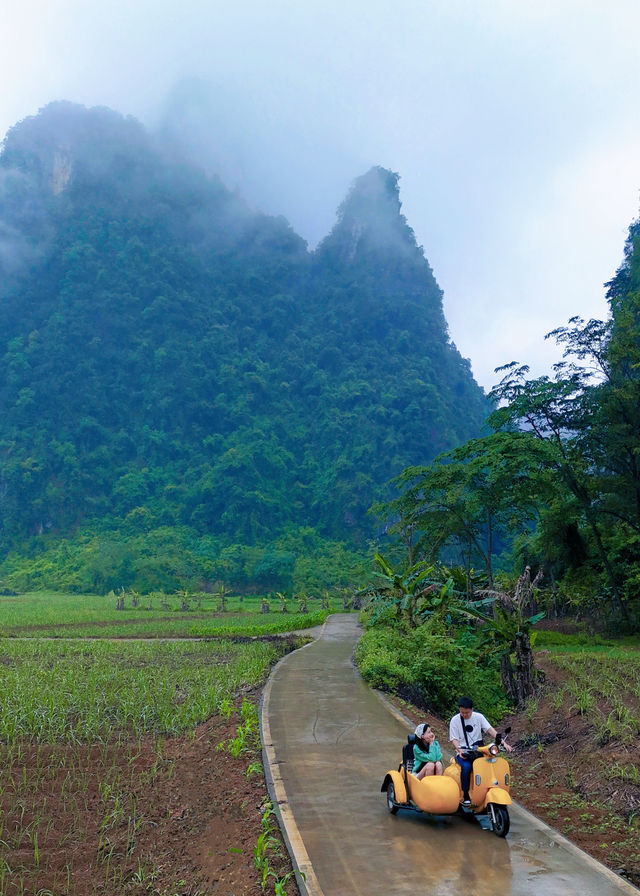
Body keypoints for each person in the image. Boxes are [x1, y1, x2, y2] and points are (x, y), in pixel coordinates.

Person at [449, 696, 512, 806]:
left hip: (478, 750)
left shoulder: (479, 717)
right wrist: (459, 750)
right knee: (467, 767)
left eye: (467, 712)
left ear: (472, 709)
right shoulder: (455, 720)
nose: (464, 715)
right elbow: (454, 739)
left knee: (490, 764)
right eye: (462, 712)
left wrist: (503, 743)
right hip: (464, 751)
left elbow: (490, 730)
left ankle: (488, 790)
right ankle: (466, 795)